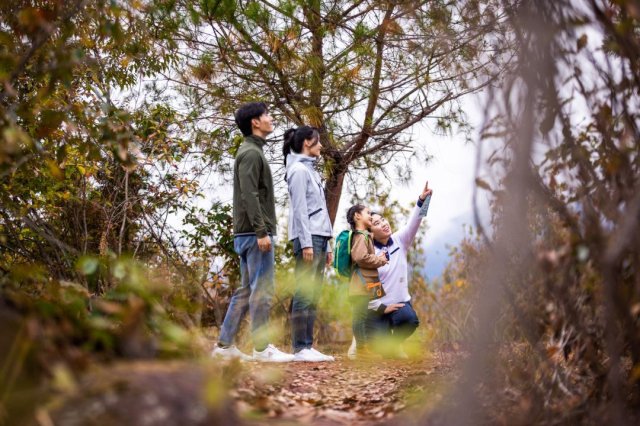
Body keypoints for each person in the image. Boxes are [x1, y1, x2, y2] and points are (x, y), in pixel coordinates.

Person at [212, 102, 295, 363]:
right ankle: (262, 349)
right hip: (253, 233)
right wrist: (262, 231)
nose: (271, 118)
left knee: (247, 290)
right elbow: (249, 195)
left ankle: (224, 348)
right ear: (255, 123)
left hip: (248, 233)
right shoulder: (250, 153)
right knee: (262, 289)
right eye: (266, 115)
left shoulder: (251, 151)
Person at [348, 181, 433, 359]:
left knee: (410, 321)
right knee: (380, 349)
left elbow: (416, 221)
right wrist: (381, 307)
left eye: (383, 220)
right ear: (371, 231)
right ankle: (362, 340)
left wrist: (423, 201)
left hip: (401, 305)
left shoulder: (400, 240)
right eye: (377, 223)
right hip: (377, 310)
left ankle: (396, 345)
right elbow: (366, 284)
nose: (384, 224)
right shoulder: (369, 252)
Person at [283, 126, 335, 362]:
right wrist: (306, 244)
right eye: (318, 142)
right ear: (306, 143)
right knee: (304, 293)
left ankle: (308, 346)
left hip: (320, 237)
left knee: (313, 294)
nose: (321, 146)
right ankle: (299, 348)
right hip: (308, 238)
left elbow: (321, 210)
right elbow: (300, 211)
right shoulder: (298, 171)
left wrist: (329, 244)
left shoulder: (311, 171)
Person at [346, 204, 389, 358]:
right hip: (360, 284)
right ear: (357, 216)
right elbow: (360, 257)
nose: (371, 216)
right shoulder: (360, 235)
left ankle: (363, 350)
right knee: (359, 317)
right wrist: (379, 260)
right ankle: (361, 351)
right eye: (368, 213)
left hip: (363, 283)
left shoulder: (364, 235)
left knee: (361, 316)